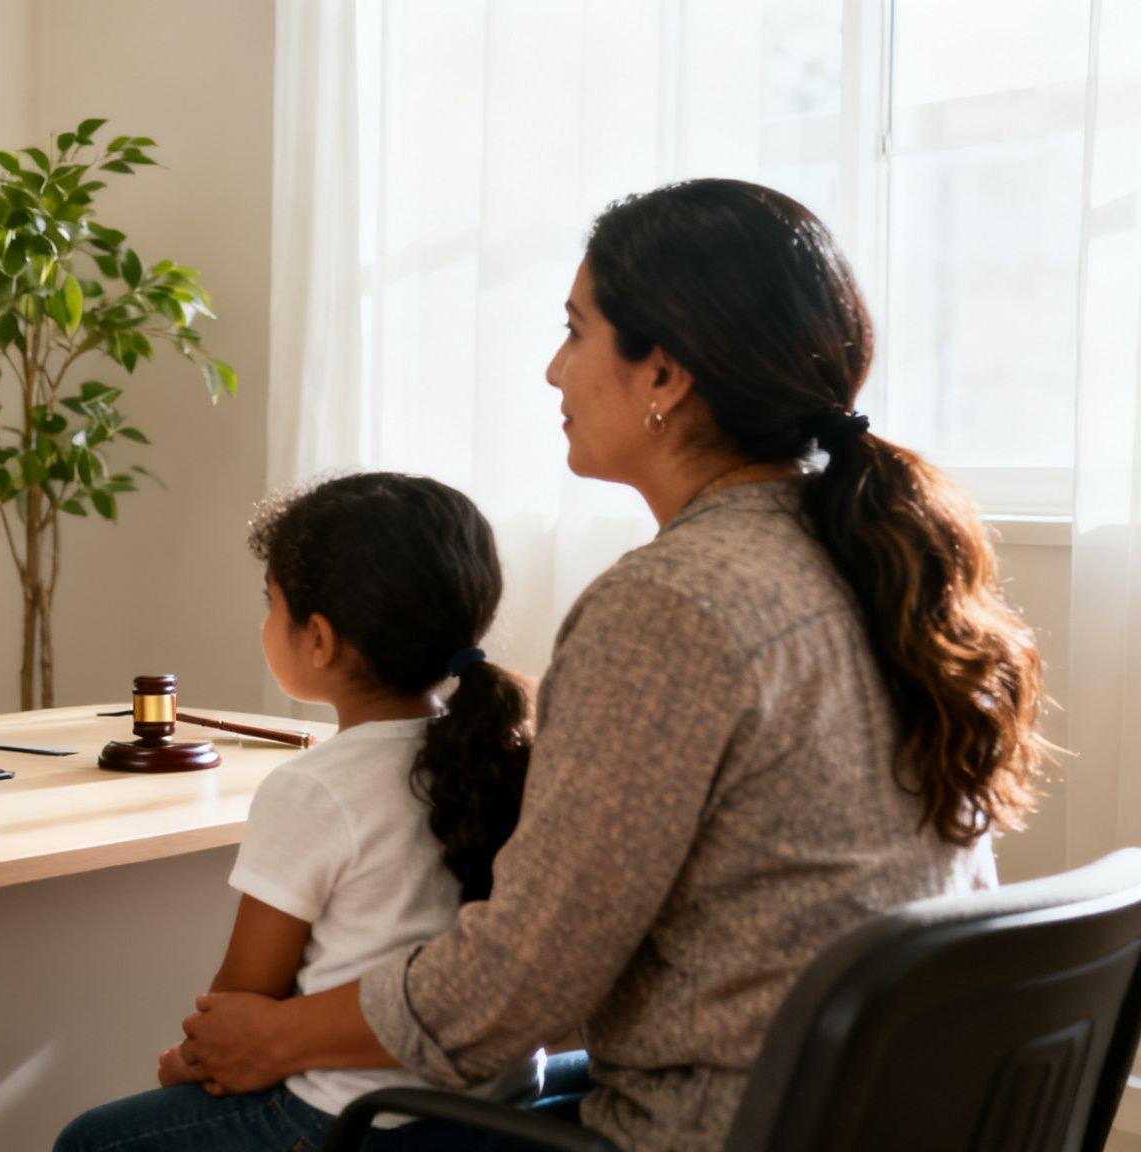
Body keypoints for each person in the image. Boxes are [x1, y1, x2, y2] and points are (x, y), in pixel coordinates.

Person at [173, 179, 1052, 1152]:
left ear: (662, 376)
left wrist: (275, 1035)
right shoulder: (868, 561)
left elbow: (517, 982)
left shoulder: (669, 606)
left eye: (574, 330)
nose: (553, 370)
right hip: (869, 1106)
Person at [56, 473, 541, 1152]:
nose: (264, 622)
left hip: (355, 1121)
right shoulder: (510, 751)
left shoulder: (316, 788)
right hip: (500, 1112)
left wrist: (189, 1065)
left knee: (93, 1142)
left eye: (270, 602)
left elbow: (244, 996)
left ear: (318, 638)